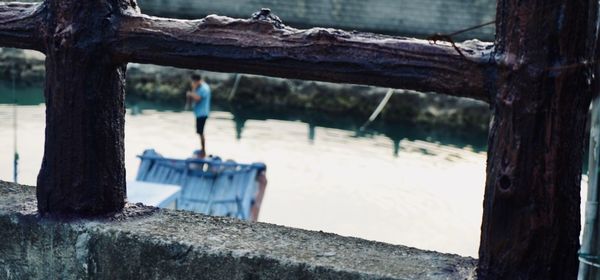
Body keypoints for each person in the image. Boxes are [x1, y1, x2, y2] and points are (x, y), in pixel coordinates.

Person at [186, 74, 211, 158]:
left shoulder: (204, 88)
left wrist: (190, 93)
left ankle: (203, 152)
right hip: (198, 113)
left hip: (202, 113)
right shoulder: (199, 87)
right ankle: (202, 150)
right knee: (199, 132)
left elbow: (197, 98)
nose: (192, 83)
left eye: (193, 82)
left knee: (201, 132)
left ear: (196, 81)